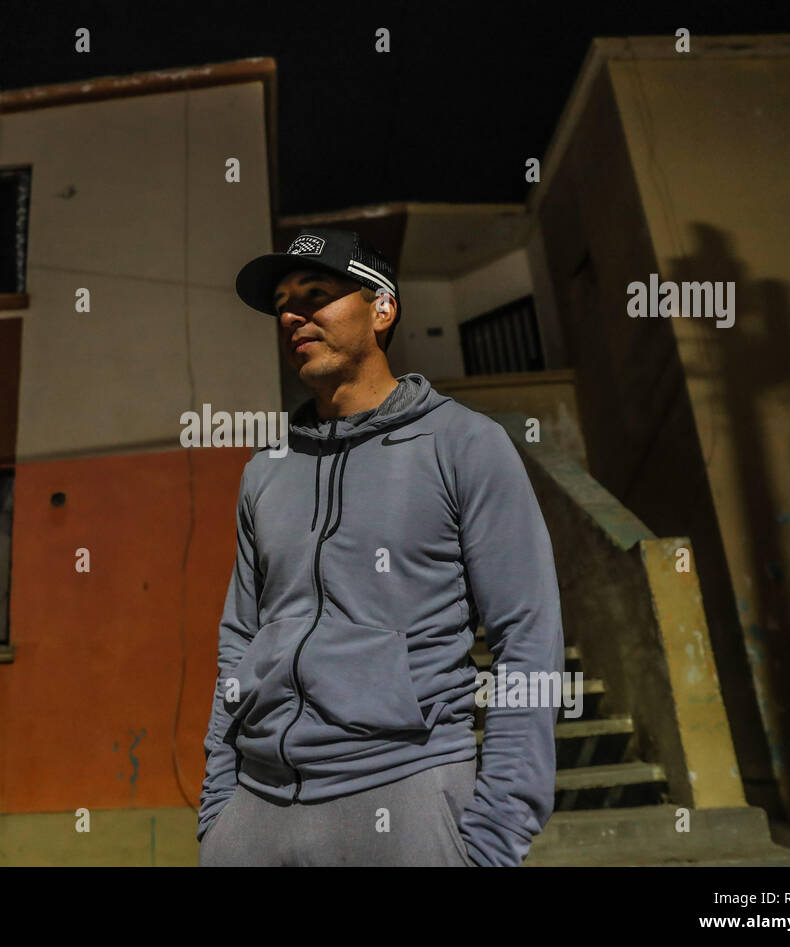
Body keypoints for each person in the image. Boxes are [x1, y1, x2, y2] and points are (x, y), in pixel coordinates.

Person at [198, 226, 564, 866]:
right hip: (255, 811)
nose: (294, 313)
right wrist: (219, 808)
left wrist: (496, 833)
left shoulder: (463, 443)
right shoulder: (267, 468)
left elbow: (527, 636)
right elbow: (240, 637)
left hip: (405, 794)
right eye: (284, 300)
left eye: (317, 292)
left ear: (383, 308)